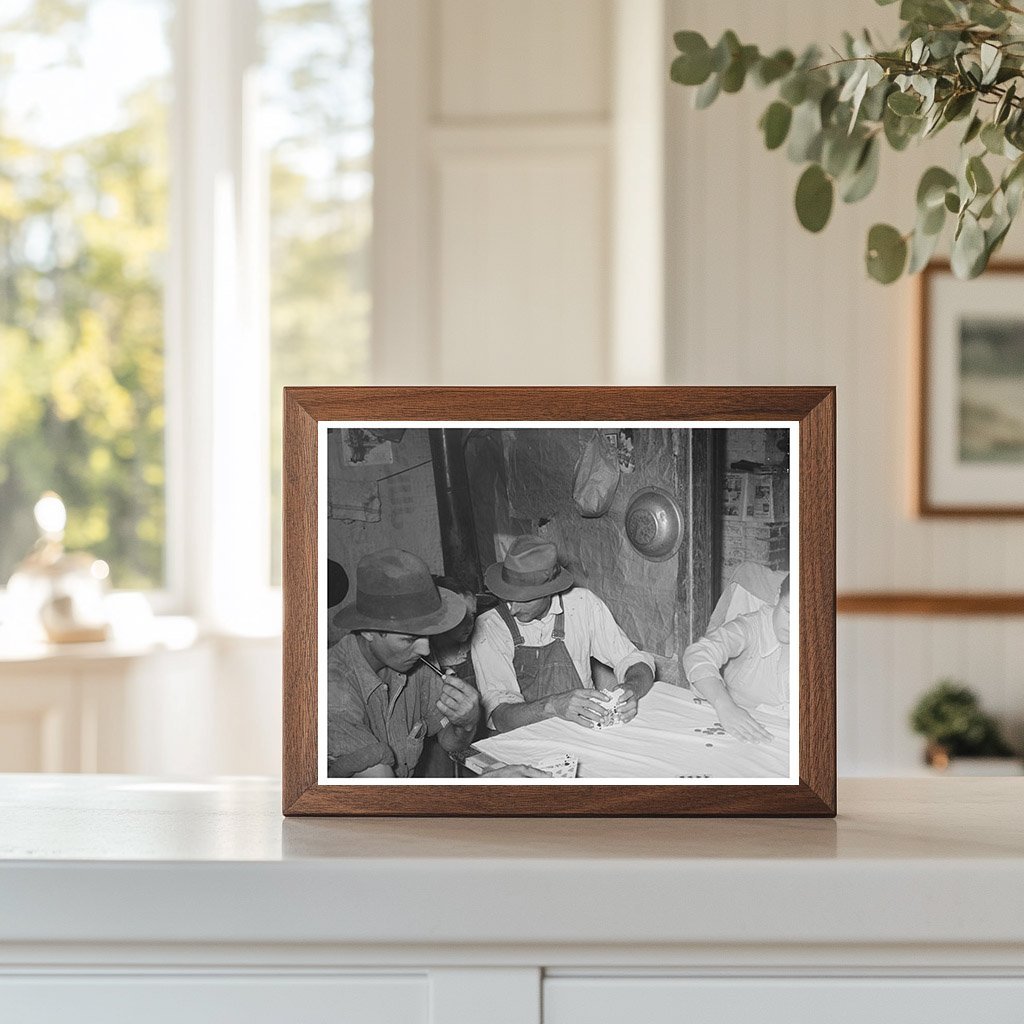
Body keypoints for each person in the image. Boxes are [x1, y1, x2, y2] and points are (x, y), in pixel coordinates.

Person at [471, 535, 655, 733]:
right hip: (525, 739)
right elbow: (501, 717)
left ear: (549, 591)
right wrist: (553, 706)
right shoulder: (489, 626)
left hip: (582, 731)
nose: (512, 609)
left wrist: (631, 689)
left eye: (523, 600)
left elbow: (634, 660)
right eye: (507, 596)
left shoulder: (582, 604)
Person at [327, 549, 481, 778]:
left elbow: (449, 741)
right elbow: (384, 797)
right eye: (410, 638)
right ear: (369, 631)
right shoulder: (331, 688)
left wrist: (466, 723)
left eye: (429, 635)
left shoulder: (414, 663)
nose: (426, 650)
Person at [681, 573, 790, 744]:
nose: (793, 625)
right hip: (736, 725)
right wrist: (724, 705)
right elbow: (698, 653)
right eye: (788, 611)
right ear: (777, 597)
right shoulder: (751, 627)